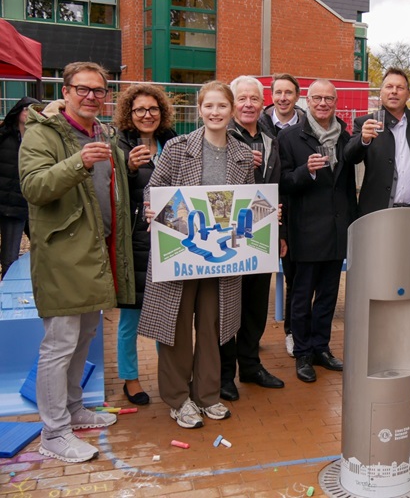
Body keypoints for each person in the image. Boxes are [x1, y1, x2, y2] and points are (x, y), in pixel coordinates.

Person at [19, 61, 135, 462]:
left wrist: (127, 165)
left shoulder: (103, 132)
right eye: (82, 89)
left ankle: (73, 409)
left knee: (85, 337)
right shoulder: (42, 134)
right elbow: (34, 187)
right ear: (65, 91)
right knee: (60, 344)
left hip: (96, 251)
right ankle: (53, 433)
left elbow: (109, 189)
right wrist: (78, 163)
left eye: (98, 90)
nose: (90, 97)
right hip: (63, 254)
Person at [138, 80, 254, 428]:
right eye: (209, 106)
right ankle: (177, 398)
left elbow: (248, 204)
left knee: (212, 325)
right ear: (199, 110)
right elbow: (154, 190)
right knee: (174, 324)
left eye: (222, 106)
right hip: (182, 251)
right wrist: (152, 210)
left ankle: (207, 395)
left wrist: (264, 215)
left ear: (231, 111)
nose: (215, 112)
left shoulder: (242, 154)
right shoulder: (177, 148)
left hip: (220, 256)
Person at [278, 79, 356, 383]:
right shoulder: (290, 137)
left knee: (328, 296)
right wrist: (305, 171)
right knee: (301, 297)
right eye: (317, 98)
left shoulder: (345, 137)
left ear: (336, 102)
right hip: (305, 229)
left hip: (337, 230)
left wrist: (352, 223)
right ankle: (303, 354)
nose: (323, 104)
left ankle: (322, 348)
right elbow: (282, 182)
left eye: (329, 99)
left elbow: (348, 186)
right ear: (307, 101)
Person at [218, 75, 285, 402]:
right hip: (227, 237)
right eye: (241, 99)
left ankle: (251, 365)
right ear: (232, 104)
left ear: (262, 103)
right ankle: (224, 374)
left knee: (257, 304)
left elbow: (278, 188)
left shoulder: (272, 136)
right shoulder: (220, 137)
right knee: (229, 305)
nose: (248, 104)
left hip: (262, 234)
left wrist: (280, 232)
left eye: (253, 99)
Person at [114, 84, 177, 406]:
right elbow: (111, 190)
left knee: (167, 314)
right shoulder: (119, 144)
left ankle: (168, 375)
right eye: (140, 109)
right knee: (130, 317)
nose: (147, 115)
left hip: (170, 239)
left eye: (153, 109)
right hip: (135, 243)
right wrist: (127, 169)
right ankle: (131, 378)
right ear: (130, 113)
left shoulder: (172, 142)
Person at [345, 67, 410, 250]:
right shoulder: (366, 123)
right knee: (381, 271)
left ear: (408, 94)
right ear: (381, 92)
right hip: (380, 212)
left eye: (400, 87)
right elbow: (350, 157)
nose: (394, 91)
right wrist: (363, 140)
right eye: (389, 87)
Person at [260, 73, 304, 357]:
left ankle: (291, 332)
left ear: (297, 97)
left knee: (294, 276)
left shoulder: (305, 127)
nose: (283, 98)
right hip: (260, 210)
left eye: (289, 92)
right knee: (254, 278)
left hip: (293, 209)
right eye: (278, 92)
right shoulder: (258, 124)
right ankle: (247, 338)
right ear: (272, 95)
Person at [0, 96, 40, 278]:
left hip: (31, 204)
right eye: (27, 109)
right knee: (10, 255)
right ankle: (7, 294)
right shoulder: (5, 137)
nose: (30, 113)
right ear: (18, 112)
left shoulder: (39, 139)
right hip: (9, 205)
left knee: (45, 247)